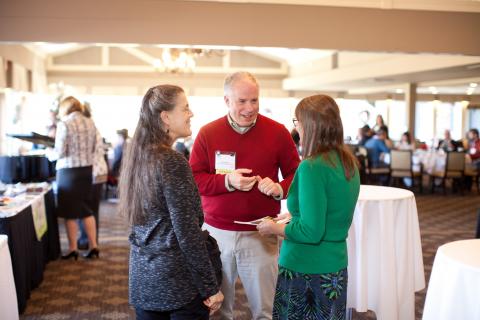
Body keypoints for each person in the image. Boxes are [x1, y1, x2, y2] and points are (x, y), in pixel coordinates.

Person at [189, 71, 300, 320]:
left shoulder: (278, 132)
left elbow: (298, 175)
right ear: (227, 101)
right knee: (218, 310)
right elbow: (194, 178)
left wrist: (280, 188)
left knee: (265, 310)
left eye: (254, 100)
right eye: (242, 101)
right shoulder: (208, 133)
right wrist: (228, 181)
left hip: (261, 232)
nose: (249, 108)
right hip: (216, 234)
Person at [118, 85, 223, 319]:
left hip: (144, 277)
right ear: (165, 117)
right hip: (177, 283)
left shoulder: (138, 156)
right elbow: (187, 232)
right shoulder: (171, 161)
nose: (191, 113)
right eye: (185, 108)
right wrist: (210, 287)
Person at [257, 94, 360, 320]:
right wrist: (293, 215)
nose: (296, 129)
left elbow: (311, 232)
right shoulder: (347, 162)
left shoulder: (312, 167)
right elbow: (330, 210)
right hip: (335, 265)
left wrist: (273, 229)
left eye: (297, 122)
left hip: (306, 267)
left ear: (310, 125)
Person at [54, 96, 99, 260]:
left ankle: (73, 249)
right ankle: (94, 246)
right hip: (86, 170)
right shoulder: (90, 122)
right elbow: (95, 147)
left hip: (68, 171)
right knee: (86, 209)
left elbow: (60, 152)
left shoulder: (64, 123)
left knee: (70, 212)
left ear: (65, 108)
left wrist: (48, 154)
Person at [77, 103, 108, 250]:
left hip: (90, 172)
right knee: (93, 209)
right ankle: (92, 240)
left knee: (84, 208)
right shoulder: (93, 126)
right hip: (100, 171)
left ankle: (86, 240)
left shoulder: (85, 128)